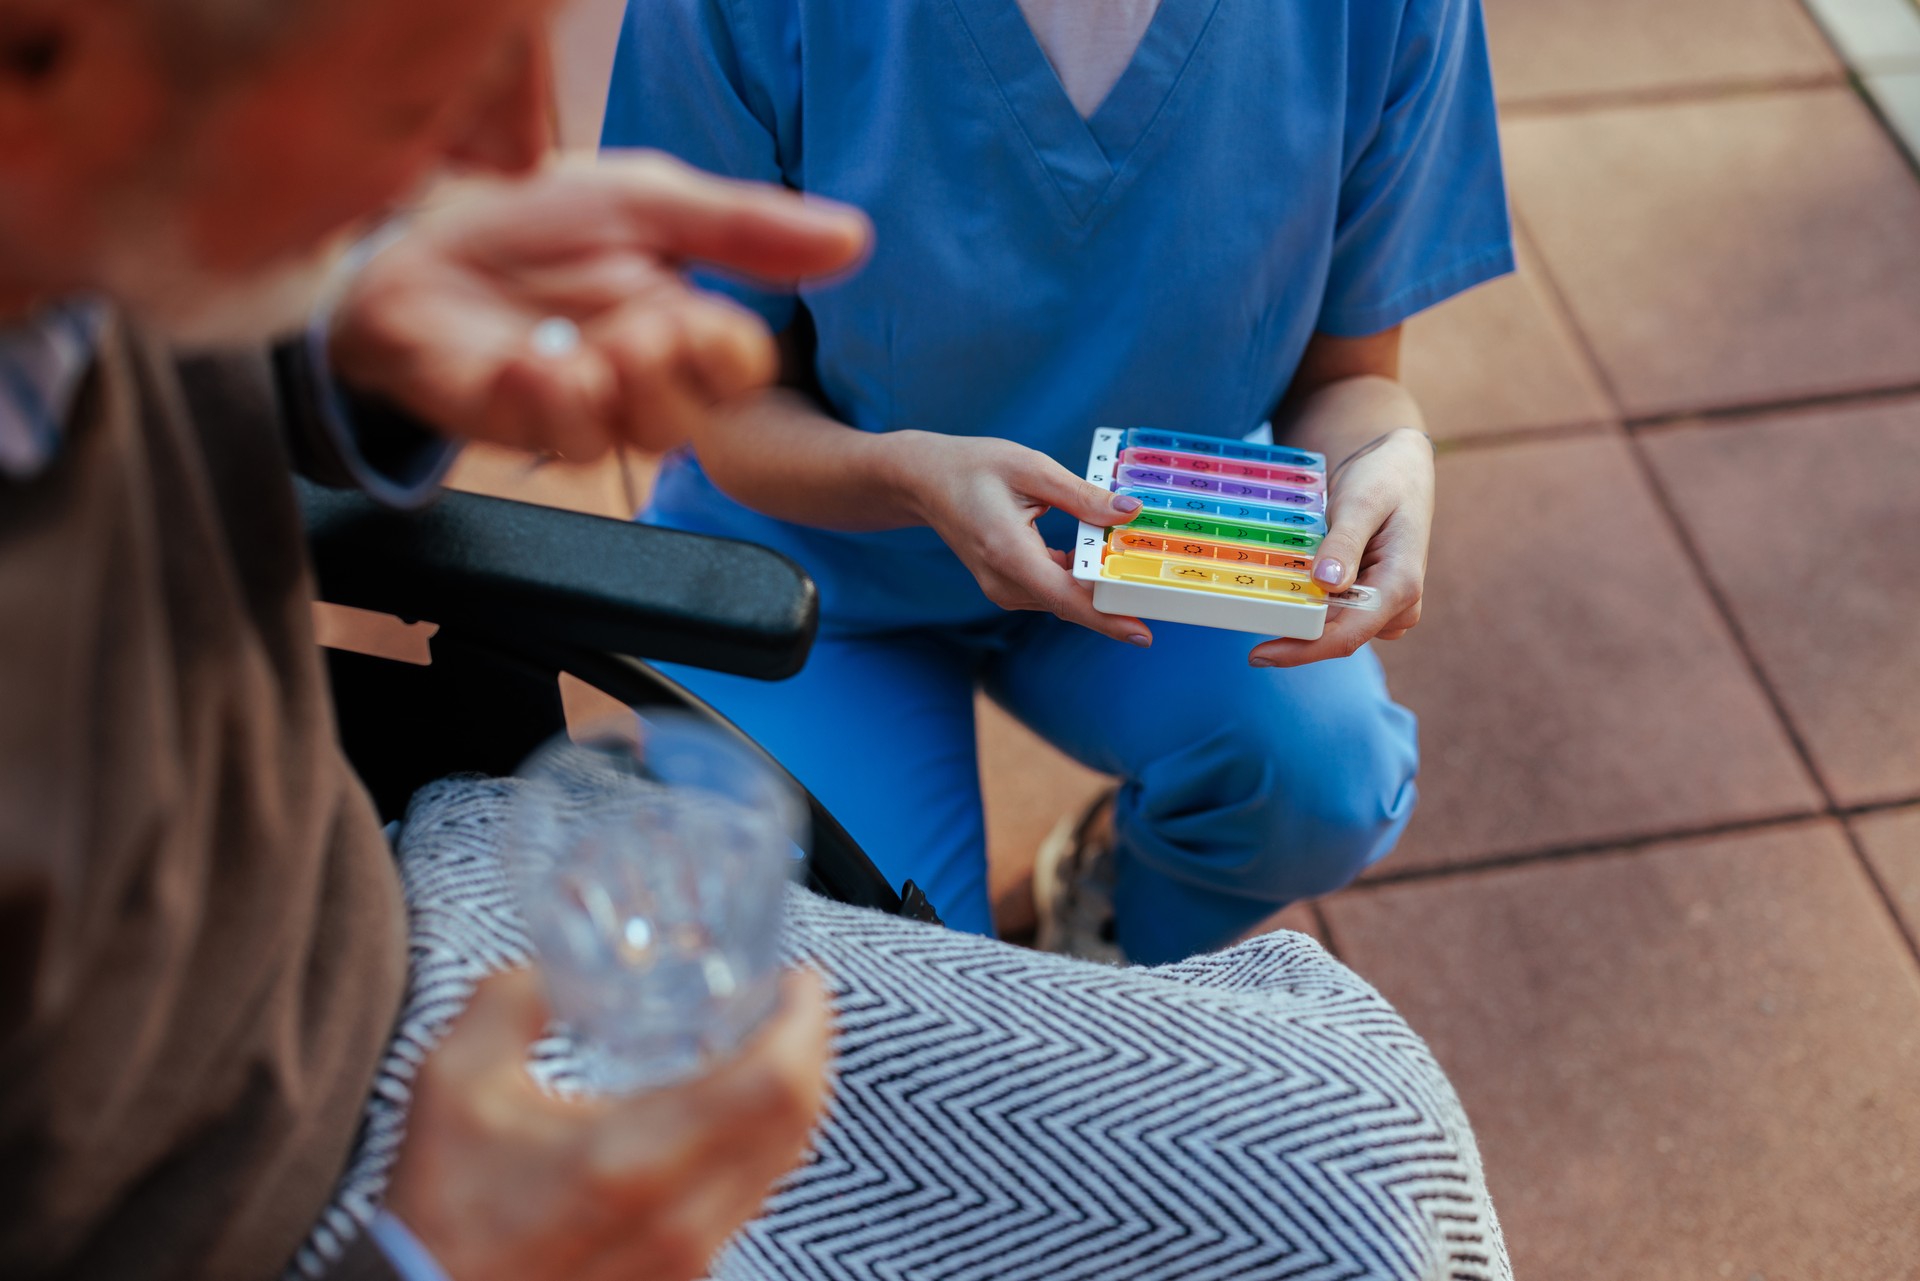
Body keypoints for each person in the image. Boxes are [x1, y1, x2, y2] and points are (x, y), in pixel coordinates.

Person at [0, 0, 1509, 1278]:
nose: (520, 150)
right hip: (303, 1190)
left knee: (1367, 1120)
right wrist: (423, 1253)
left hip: (366, 946)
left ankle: (1099, 903)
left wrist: (333, 333)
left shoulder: (88, 273)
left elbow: (1359, 376)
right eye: (415, 101)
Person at [601, 0, 1514, 964]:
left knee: (1325, 781)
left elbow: (1351, 378)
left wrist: (1387, 456)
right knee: (886, 992)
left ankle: (1111, 892)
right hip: (815, 559)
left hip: (1166, 549)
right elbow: (724, 410)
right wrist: (904, 478)